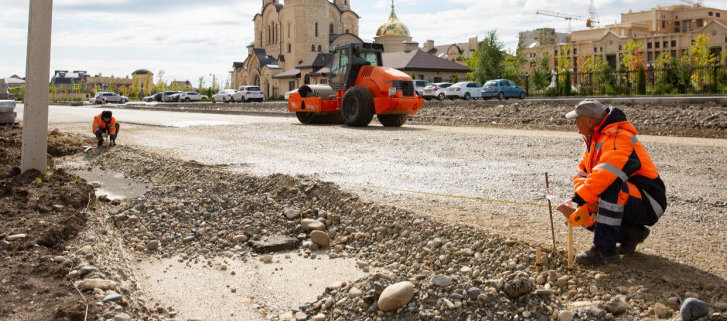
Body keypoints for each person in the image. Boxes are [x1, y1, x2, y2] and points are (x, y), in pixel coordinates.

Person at [557, 99, 667, 265]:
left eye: (576, 119)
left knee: (606, 188)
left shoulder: (618, 137)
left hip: (650, 201)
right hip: (631, 196)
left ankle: (605, 250)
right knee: (587, 204)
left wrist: (580, 199)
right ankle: (630, 235)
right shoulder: (593, 140)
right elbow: (581, 173)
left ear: (589, 121)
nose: (574, 123)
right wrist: (582, 200)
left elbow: (606, 176)